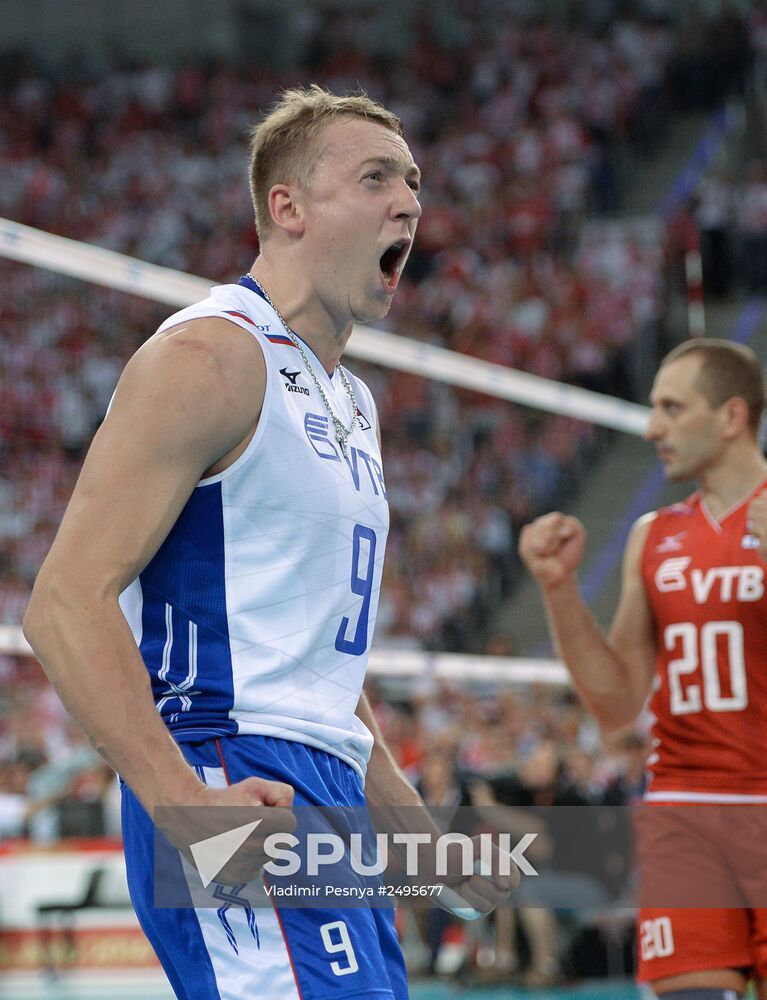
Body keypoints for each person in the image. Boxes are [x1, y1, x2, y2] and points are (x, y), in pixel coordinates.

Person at [23, 85, 512, 1000]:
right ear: (286, 208)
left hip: (321, 779)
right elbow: (62, 604)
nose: (409, 200)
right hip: (229, 766)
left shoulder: (353, 400)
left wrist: (414, 838)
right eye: (374, 178)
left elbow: (316, 678)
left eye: (412, 182)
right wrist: (183, 805)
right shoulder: (210, 356)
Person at [519, 338, 767, 1000]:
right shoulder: (652, 535)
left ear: (730, 416)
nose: (651, 426)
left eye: (670, 407)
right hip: (684, 809)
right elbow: (617, 703)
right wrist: (559, 591)